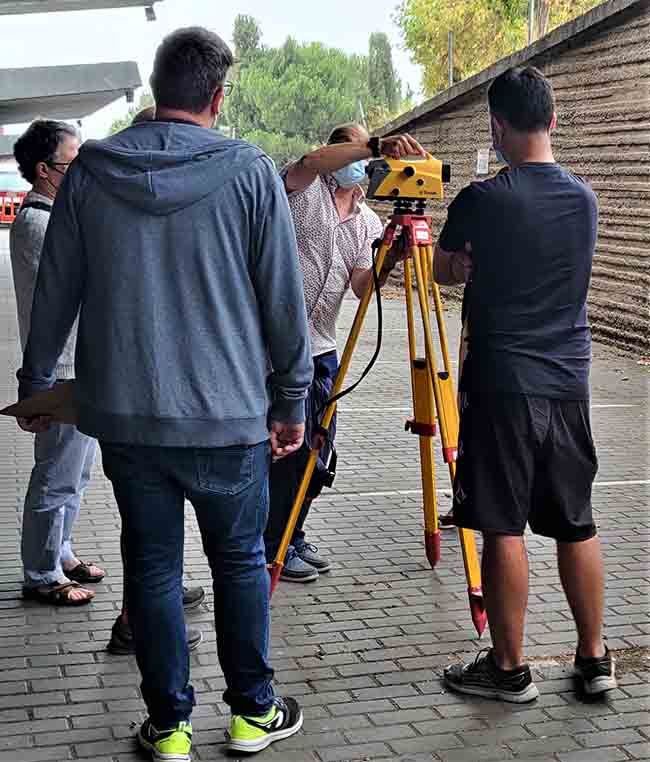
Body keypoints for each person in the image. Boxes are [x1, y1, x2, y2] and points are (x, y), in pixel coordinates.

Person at [18, 26, 312, 760]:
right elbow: (284, 298)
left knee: (152, 565)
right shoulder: (250, 172)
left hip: (128, 417)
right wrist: (291, 400)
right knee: (239, 561)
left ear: (156, 89)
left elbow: (57, 287)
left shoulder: (91, 172)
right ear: (218, 96)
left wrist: (36, 382)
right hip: (229, 416)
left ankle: (169, 726)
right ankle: (253, 713)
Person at [435, 66, 616, 701]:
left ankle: (509, 668)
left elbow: (444, 269)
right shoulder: (584, 199)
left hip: (503, 386)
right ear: (553, 120)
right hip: (568, 381)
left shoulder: (483, 200)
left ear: (497, 126)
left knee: (502, 525)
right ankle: (594, 658)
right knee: (576, 522)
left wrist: (460, 261)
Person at [264, 123, 425, 582]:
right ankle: (271, 546)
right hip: (276, 350)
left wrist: (389, 259)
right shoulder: (303, 190)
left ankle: (294, 535)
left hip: (324, 349)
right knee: (285, 452)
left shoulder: (368, 221)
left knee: (318, 451)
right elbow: (309, 162)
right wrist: (371, 146)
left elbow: (361, 286)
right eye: (352, 150)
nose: (360, 161)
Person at [106, 101, 206, 657]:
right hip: (176, 400)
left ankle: (150, 612)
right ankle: (140, 620)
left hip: (129, 400)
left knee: (149, 536)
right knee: (157, 542)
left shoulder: (114, 205)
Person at [10, 120, 105, 606]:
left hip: (77, 364)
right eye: (73, 164)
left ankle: (61, 551)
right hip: (61, 368)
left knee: (76, 472)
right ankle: (41, 572)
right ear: (44, 170)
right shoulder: (39, 224)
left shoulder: (56, 216)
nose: (81, 173)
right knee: (56, 474)